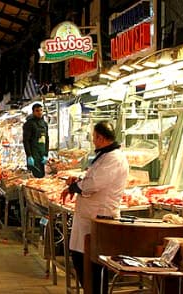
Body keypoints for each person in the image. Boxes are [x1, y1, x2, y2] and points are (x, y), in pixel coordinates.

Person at [66, 121, 129, 294]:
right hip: (88, 217)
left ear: (100, 138)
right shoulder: (105, 156)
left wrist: (76, 187)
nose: (93, 140)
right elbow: (91, 177)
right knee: (80, 259)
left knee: (93, 266)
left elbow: (93, 184)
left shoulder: (114, 158)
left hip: (100, 218)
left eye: (94, 137)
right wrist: (78, 179)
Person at [23, 103, 49, 178]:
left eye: (41, 110)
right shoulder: (29, 124)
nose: (40, 112)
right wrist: (29, 156)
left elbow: (47, 140)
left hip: (42, 154)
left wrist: (46, 154)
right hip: (33, 155)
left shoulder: (44, 124)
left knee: (42, 176)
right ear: (33, 112)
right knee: (34, 178)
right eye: (37, 111)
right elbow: (26, 141)